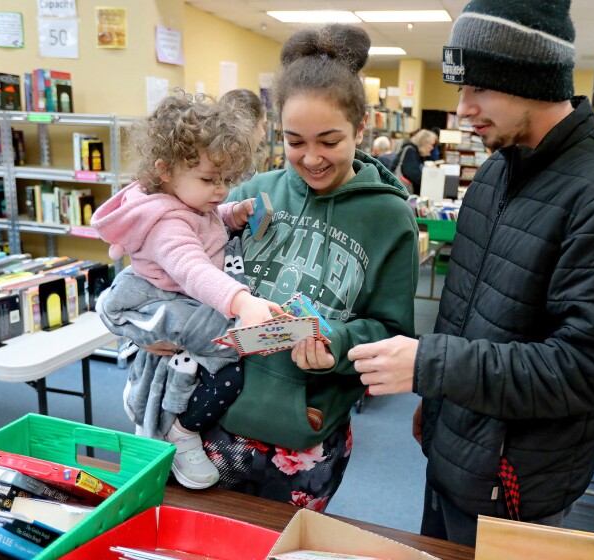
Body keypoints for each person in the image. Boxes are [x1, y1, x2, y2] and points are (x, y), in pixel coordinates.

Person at [347, 0, 594, 546]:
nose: (463, 109)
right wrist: (437, 405)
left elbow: (586, 367)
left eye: (479, 89)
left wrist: (432, 366)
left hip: (515, 484)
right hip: (455, 449)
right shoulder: (497, 170)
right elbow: (468, 305)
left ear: (532, 79)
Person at [139, 24, 419, 510]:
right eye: (294, 141)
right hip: (207, 422)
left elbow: (392, 330)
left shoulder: (390, 218)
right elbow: (178, 269)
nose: (310, 158)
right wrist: (153, 327)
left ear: (363, 126)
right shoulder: (246, 196)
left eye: (329, 141)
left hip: (303, 436)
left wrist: (333, 340)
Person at [91, 91, 282, 490]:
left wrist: (233, 212)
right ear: (164, 171)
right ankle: (182, 432)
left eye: (226, 181)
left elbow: (208, 222)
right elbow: (193, 268)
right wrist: (241, 300)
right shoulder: (166, 224)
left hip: (178, 298)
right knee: (234, 353)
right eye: (210, 181)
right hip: (168, 301)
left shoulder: (189, 201)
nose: (220, 191)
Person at [220, 88, 269, 169]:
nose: (264, 133)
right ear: (249, 126)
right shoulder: (243, 173)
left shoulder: (213, 161)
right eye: (263, 125)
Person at [393, 128, 437, 194]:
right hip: (403, 194)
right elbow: (413, 174)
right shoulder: (411, 151)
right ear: (424, 142)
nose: (432, 148)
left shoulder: (413, 151)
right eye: (431, 144)